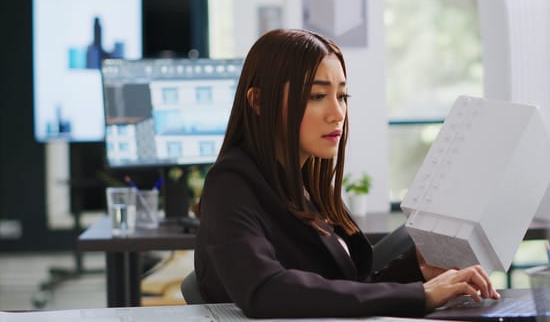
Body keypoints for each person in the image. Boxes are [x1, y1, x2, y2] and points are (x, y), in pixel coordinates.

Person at [194, 28, 499, 318]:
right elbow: (264, 289)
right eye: (317, 96)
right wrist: (420, 296)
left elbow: (348, 289)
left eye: (341, 96)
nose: (337, 113)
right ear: (259, 101)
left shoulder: (305, 187)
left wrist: (418, 272)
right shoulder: (231, 184)